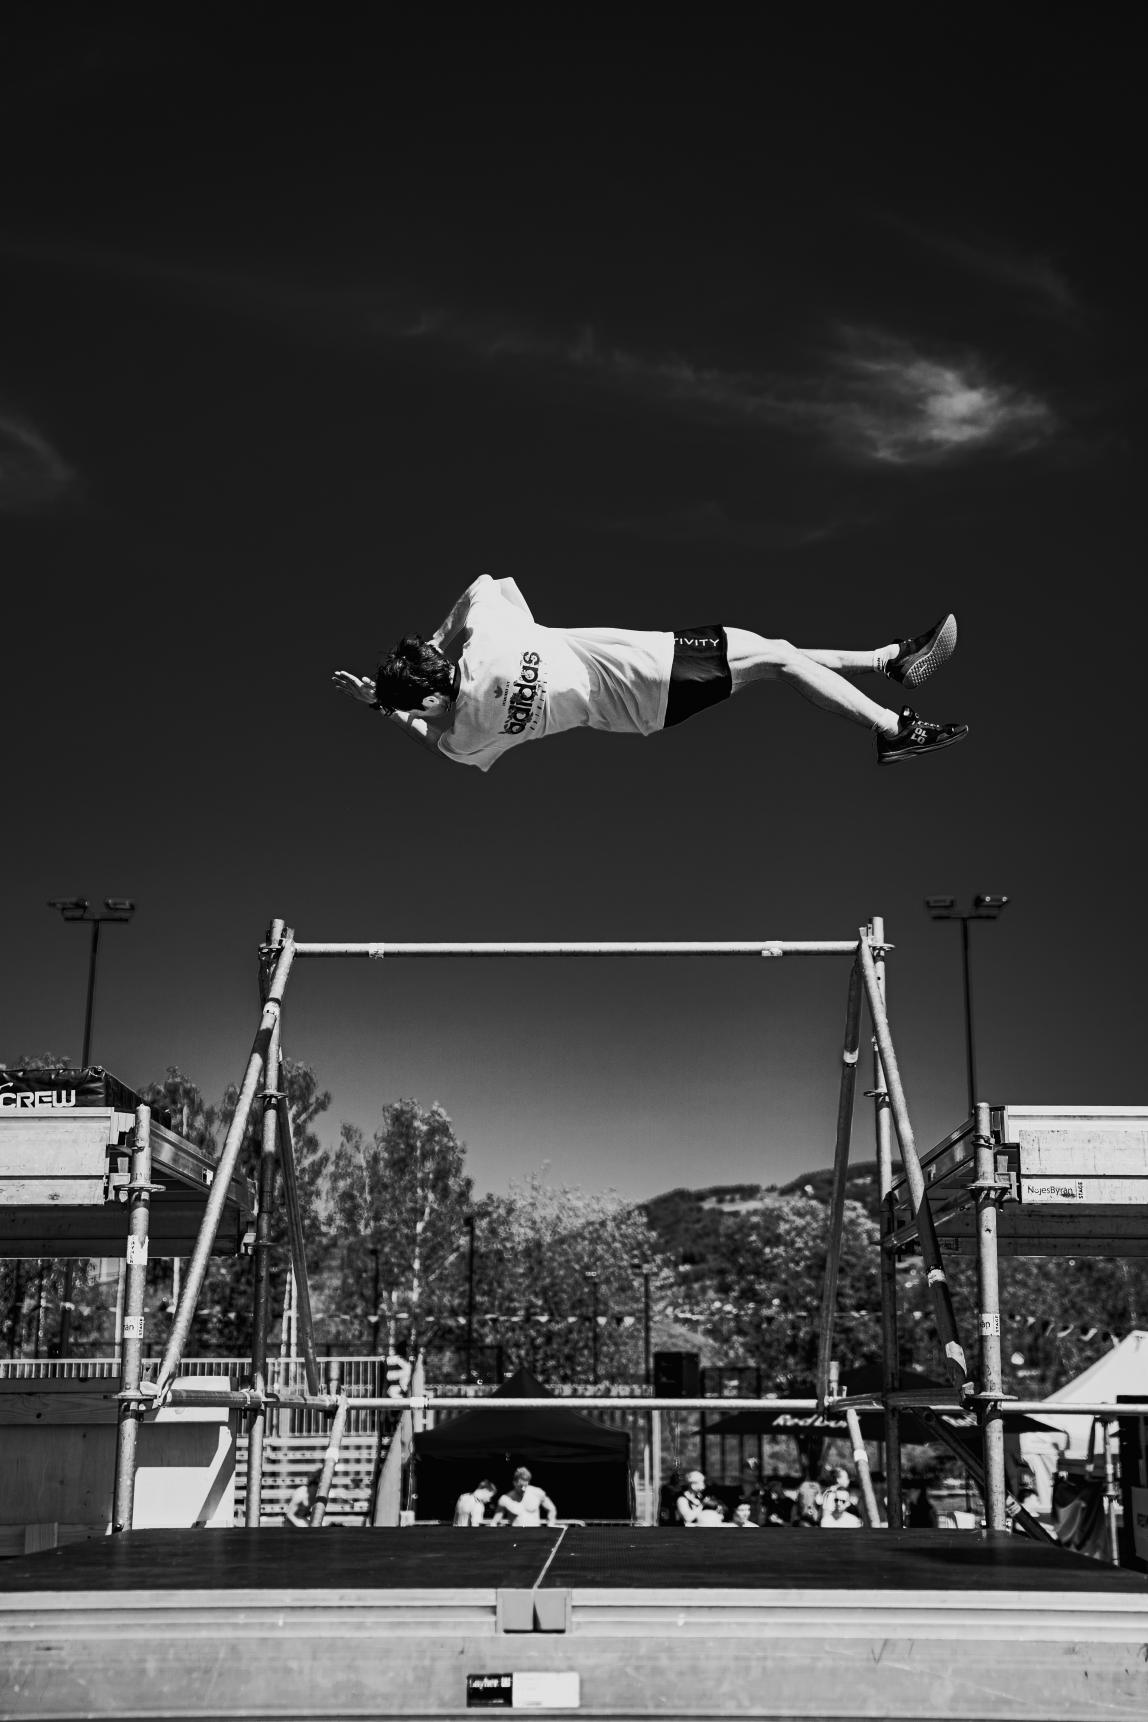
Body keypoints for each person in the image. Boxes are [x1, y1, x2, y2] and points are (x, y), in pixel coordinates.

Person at [332, 575, 965, 770]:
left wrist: (387, 708)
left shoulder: (470, 733)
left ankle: (889, 661)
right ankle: (892, 726)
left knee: (776, 656)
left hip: (641, 714)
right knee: (775, 657)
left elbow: (440, 746)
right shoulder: (492, 636)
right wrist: (439, 640)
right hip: (651, 666)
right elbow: (487, 584)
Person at [493, 1466, 557, 1528]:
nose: (523, 1489)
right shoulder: (505, 1499)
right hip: (516, 1533)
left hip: (535, 1533)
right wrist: (493, 1525)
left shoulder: (538, 1493)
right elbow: (495, 1521)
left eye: (525, 1486)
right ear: (514, 1483)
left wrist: (550, 1525)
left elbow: (551, 1509)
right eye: (521, 1486)